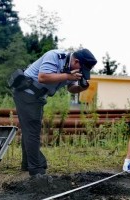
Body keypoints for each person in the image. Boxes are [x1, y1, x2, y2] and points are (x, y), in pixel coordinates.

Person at [10, 48, 97, 177]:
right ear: (76, 61)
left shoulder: (72, 70)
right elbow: (43, 77)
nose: (80, 73)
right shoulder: (55, 57)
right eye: (81, 69)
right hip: (26, 92)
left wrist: (81, 88)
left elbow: (71, 88)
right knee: (32, 130)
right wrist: (68, 76)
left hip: (37, 97)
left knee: (30, 129)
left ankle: (27, 164)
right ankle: (36, 170)